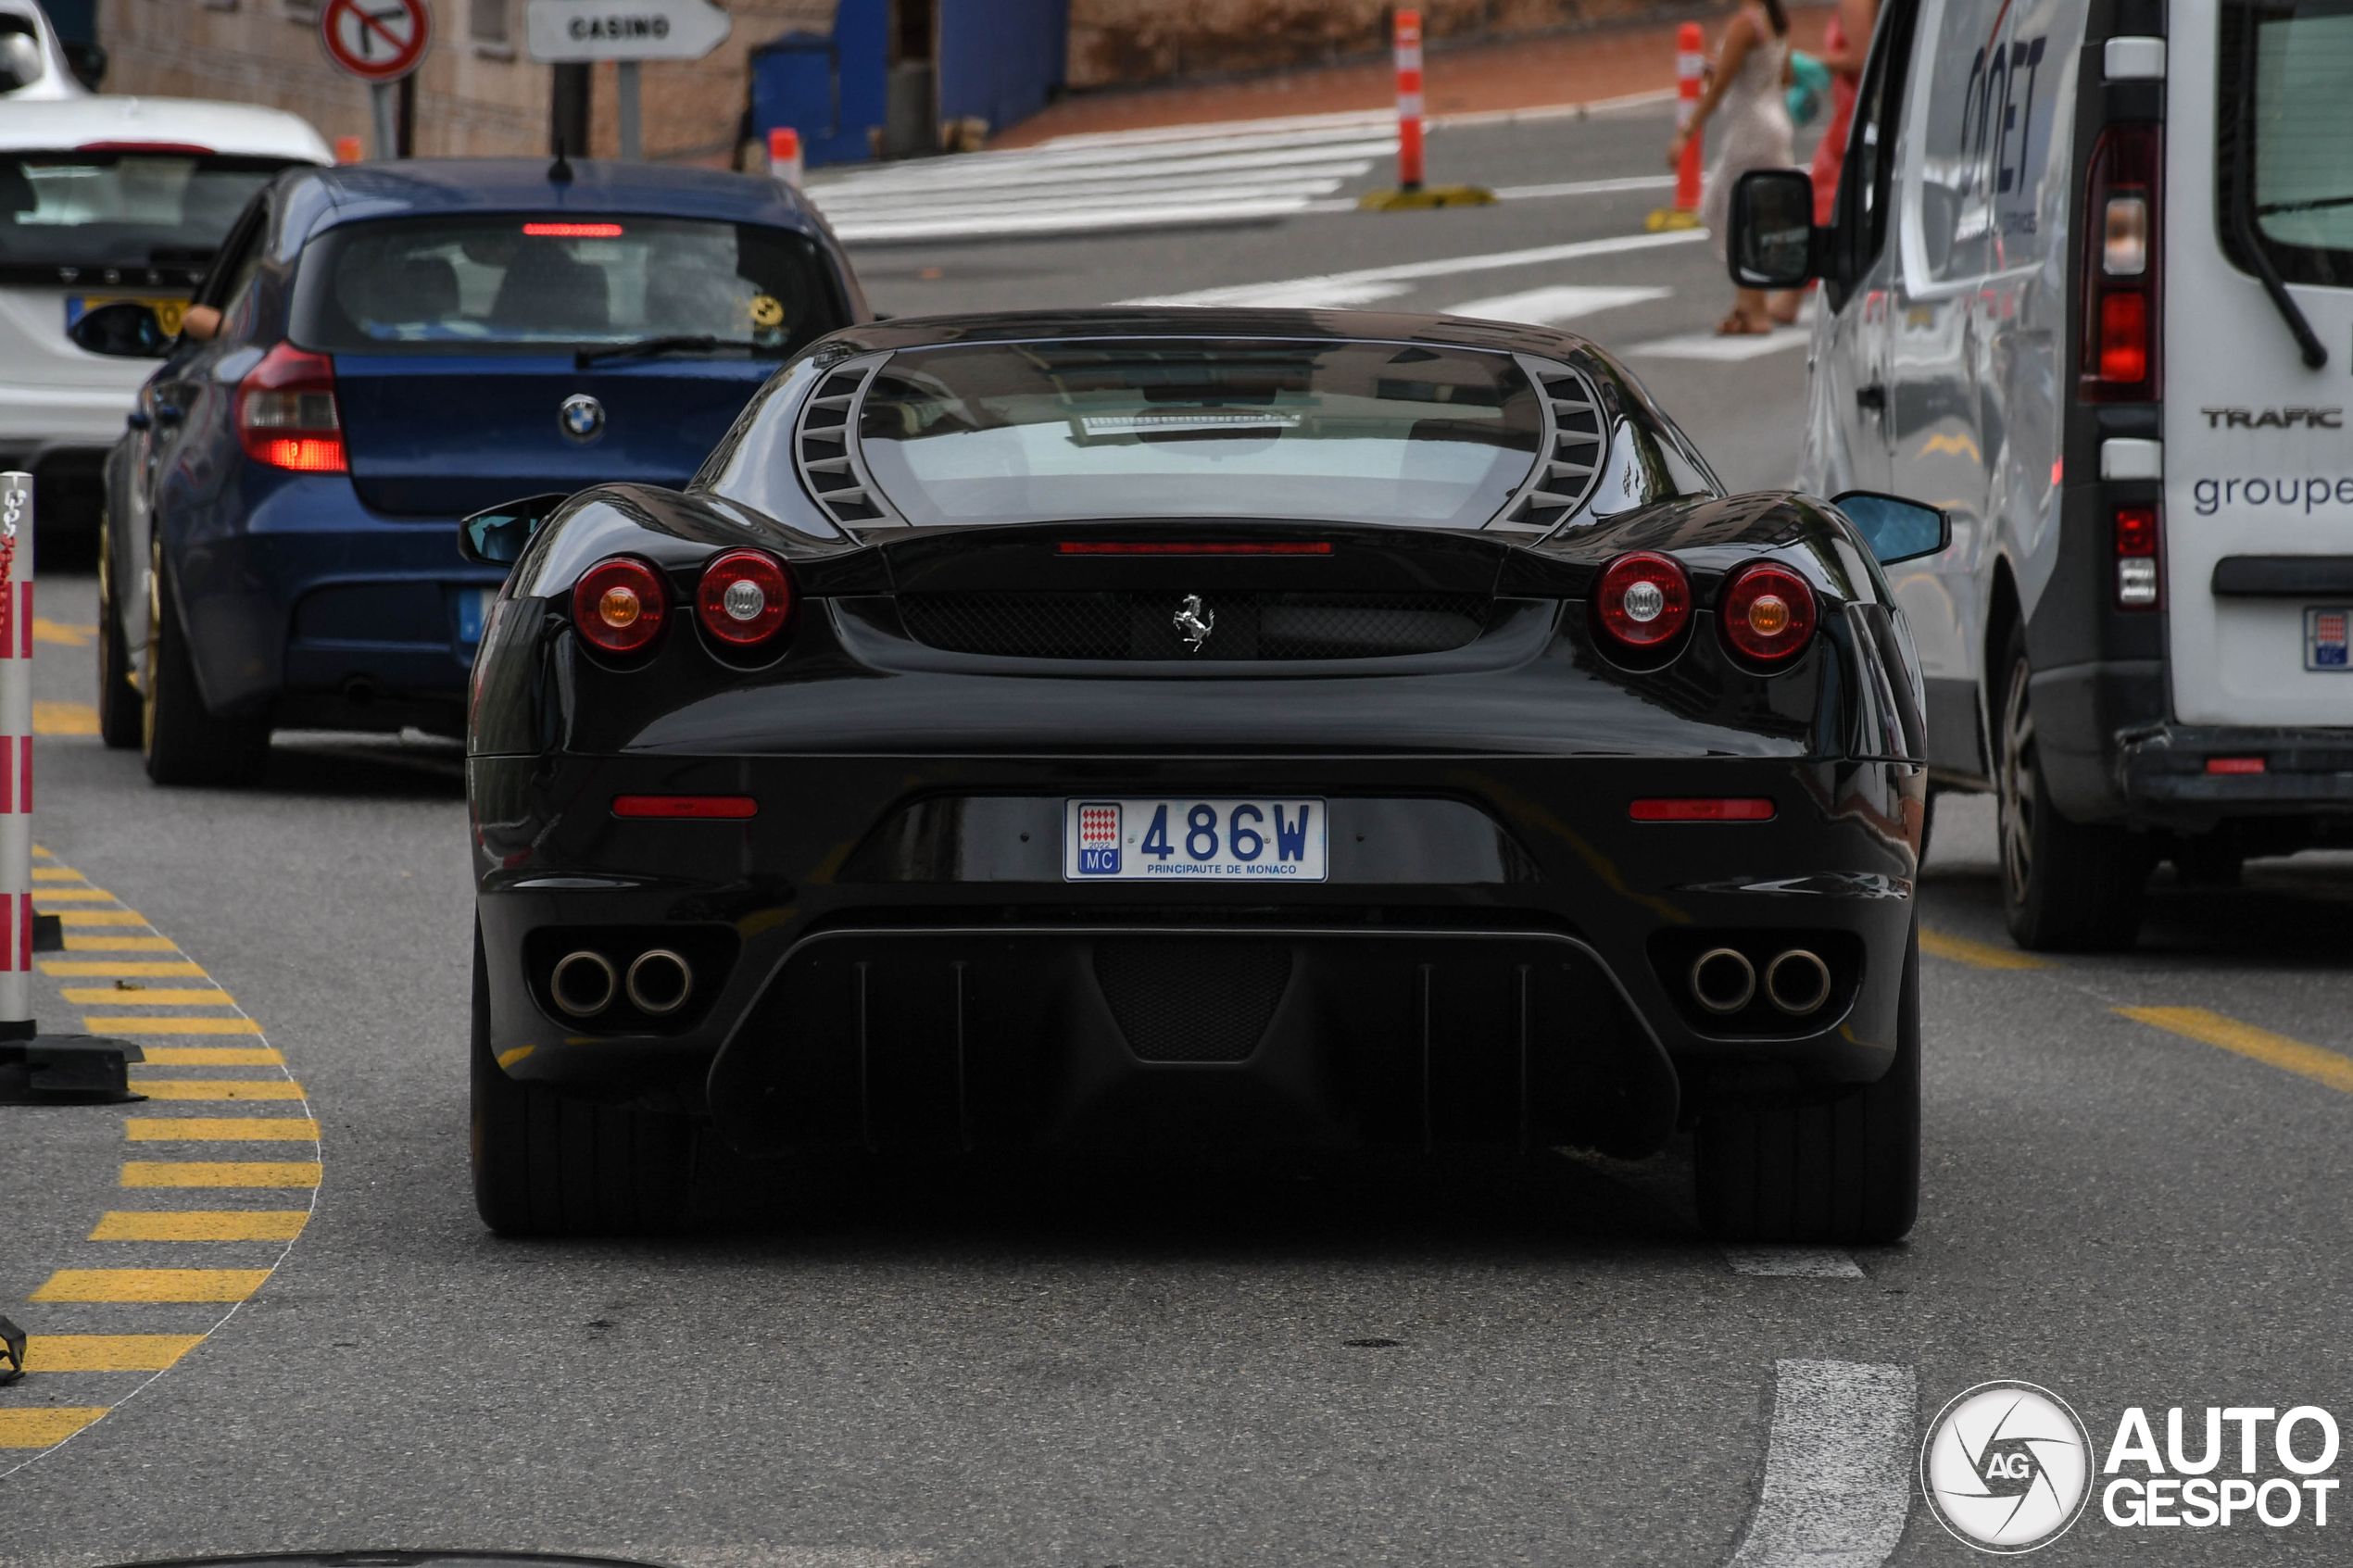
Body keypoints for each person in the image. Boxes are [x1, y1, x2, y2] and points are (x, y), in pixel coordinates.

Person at [1667, 0, 1796, 335]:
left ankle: (1754, 309)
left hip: (1749, 130)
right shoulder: (1774, 20)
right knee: (1752, 214)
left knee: (1732, 213)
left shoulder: (1744, 23)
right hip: (1773, 121)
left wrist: (1687, 132)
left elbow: (1721, 85)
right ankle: (1748, 302)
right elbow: (1785, 76)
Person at [1810, 0, 1882, 227]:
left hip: (1857, 117)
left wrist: (1805, 62)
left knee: (1833, 209)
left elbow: (1862, 57)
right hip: (1858, 115)